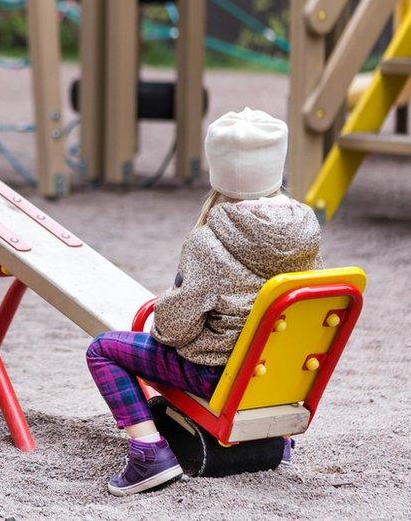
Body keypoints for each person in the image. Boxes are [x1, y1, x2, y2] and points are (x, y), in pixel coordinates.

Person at [86, 108, 323, 496]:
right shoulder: (307, 231)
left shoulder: (210, 240)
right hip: (277, 375)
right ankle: (276, 442)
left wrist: (167, 308)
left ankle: (148, 453)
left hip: (216, 376)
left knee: (103, 350)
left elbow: (173, 330)